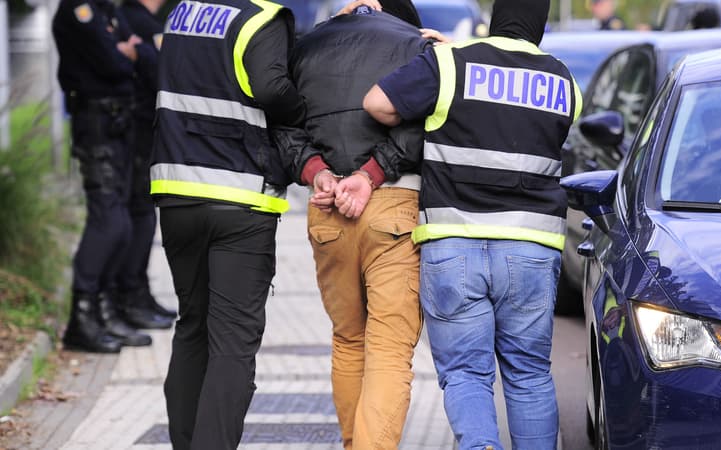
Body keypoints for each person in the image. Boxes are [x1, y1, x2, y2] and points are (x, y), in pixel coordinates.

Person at [362, 0, 582, 448]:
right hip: (530, 247)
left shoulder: (450, 62)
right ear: (540, 26)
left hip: (452, 243)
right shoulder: (563, 78)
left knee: (466, 373)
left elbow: (377, 104)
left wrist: (444, 69)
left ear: (494, 17)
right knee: (529, 374)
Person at [270, 1, 435, 447]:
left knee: (347, 341)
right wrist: (371, 174)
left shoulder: (305, 46)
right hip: (394, 207)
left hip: (327, 209)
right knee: (389, 350)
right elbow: (429, 126)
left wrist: (316, 172)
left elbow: (283, 126)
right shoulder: (416, 45)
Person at [149, 0, 305, 447]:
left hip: (177, 191)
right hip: (239, 199)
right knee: (232, 345)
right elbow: (273, 90)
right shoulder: (259, 18)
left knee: (192, 327)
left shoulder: (182, 11)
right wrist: (301, 112)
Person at [53, 0, 156, 352]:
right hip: (95, 126)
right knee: (109, 222)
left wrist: (130, 51)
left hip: (118, 126)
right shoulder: (79, 10)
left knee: (123, 222)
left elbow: (143, 57)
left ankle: (104, 311)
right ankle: (81, 318)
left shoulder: (107, 11)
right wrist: (125, 53)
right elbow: (113, 63)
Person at [116, 0, 176, 329]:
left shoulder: (136, 20)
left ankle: (138, 294)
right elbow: (161, 70)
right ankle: (131, 298)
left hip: (139, 131)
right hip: (136, 130)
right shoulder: (136, 20)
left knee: (140, 215)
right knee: (138, 216)